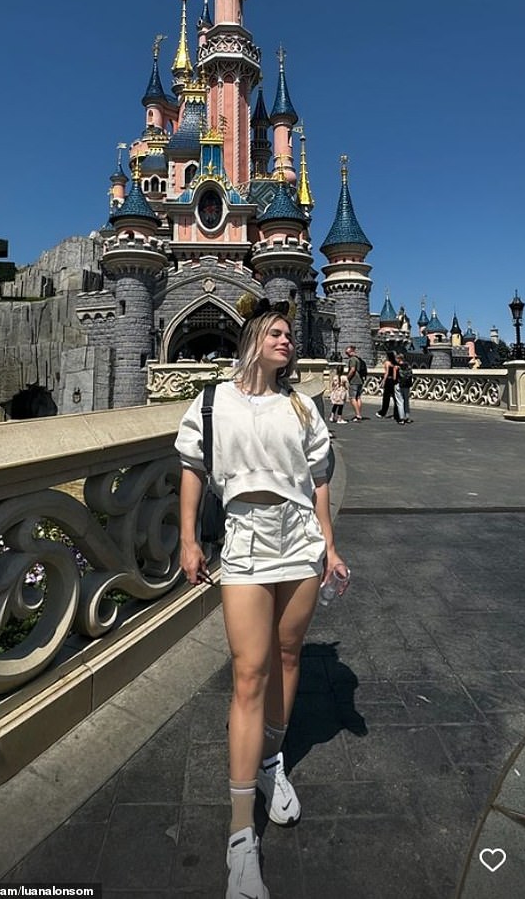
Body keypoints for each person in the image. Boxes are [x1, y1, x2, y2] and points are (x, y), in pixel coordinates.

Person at [175, 300, 347, 899]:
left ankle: (273, 762)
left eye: (289, 335)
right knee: (250, 673)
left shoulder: (301, 405)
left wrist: (329, 544)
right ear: (252, 336)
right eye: (275, 331)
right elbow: (192, 467)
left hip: (299, 542)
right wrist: (188, 535)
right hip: (245, 544)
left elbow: (319, 477)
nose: (286, 341)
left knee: (289, 655)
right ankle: (239, 836)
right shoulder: (213, 402)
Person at [376, 350, 401, 422]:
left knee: (386, 398)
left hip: (389, 381)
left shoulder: (387, 363)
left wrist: (383, 381)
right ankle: (396, 414)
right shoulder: (395, 363)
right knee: (395, 398)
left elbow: (386, 373)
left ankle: (382, 412)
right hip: (395, 381)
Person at [344, 344, 364, 421]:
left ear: (352, 352)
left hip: (354, 380)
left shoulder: (352, 359)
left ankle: (358, 415)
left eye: (347, 353)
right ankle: (358, 413)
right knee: (358, 397)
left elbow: (352, 370)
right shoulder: (358, 359)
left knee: (352, 398)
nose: (347, 355)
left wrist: (347, 378)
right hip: (360, 380)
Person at [394, 353, 413, 424]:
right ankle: (407, 417)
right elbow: (411, 374)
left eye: (396, 358)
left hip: (399, 384)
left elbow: (394, 377)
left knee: (400, 402)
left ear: (399, 359)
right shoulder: (408, 366)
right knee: (406, 401)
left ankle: (401, 418)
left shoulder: (397, 367)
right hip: (407, 385)